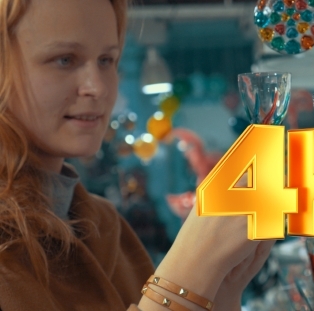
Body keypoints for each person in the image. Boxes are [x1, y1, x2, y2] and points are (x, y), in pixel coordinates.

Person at [0, 0, 275, 310]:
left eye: (107, 59)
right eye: (64, 59)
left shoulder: (104, 225)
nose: (98, 88)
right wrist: (183, 283)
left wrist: (218, 291)